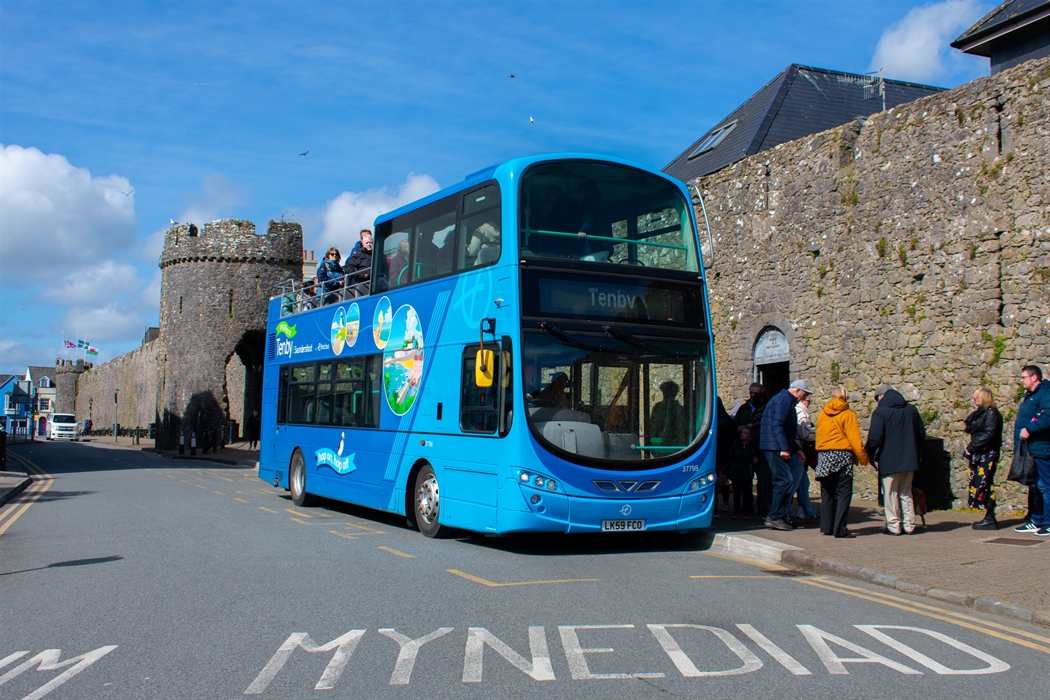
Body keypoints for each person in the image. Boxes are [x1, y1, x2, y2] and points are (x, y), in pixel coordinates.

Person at [865, 386, 925, 535]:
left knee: (890, 494)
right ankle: (909, 524)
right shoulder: (911, 410)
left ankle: (894, 525)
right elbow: (921, 434)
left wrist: (869, 454)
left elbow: (874, 438)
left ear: (881, 397)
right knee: (906, 491)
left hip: (889, 459)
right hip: (909, 459)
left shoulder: (880, 412)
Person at [815, 386, 869, 538]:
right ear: (845, 397)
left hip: (824, 455)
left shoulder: (822, 414)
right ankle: (840, 529)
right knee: (844, 493)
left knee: (827, 492)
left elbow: (818, 435)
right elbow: (855, 439)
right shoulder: (848, 414)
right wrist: (864, 458)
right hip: (842, 455)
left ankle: (827, 527)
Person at [758, 381, 808, 530]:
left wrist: (795, 449)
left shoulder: (783, 399)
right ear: (797, 390)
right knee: (785, 480)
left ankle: (779, 516)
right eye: (804, 393)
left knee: (782, 481)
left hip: (774, 446)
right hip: (774, 447)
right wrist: (785, 448)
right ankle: (775, 516)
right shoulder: (783, 400)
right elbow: (777, 426)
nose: (804, 397)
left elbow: (785, 429)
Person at [1013, 365, 1050, 536]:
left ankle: (1048, 521)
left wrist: (1030, 429)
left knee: (1045, 486)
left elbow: (1047, 418)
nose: (1021, 381)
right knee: (1036, 486)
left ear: (1034, 377)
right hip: (1031, 448)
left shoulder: (1044, 394)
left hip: (1042, 447)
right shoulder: (1031, 396)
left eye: (1023, 377)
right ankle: (1037, 519)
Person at [963, 386, 1003, 530]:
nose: (974, 400)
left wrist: (971, 447)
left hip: (987, 453)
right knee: (979, 482)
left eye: (977, 398)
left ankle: (990, 517)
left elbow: (988, 434)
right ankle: (988, 515)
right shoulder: (980, 414)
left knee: (985, 483)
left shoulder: (992, 414)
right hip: (979, 453)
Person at [523, 184, 579, 256]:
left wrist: (532, 215)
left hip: (561, 249)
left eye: (548, 195)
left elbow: (552, 226)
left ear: (556, 193)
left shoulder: (564, 207)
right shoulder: (562, 207)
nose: (547, 199)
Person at [790, 383, 818, 524]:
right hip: (798, 450)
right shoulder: (801, 411)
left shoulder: (797, 410)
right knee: (796, 483)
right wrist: (817, 432)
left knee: (802, 483)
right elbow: (804, 432)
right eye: (808, 400)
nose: (809, 403)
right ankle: (785, 511)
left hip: (797, 450)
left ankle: (808, 511)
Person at [577, 180, 613, 261]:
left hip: (595, 246)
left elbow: (589, 218)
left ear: (584, 191)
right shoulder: (603, 203)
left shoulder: (588, 201)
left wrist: (583, 230)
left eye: (580, 191)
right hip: (606, 247)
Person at [727, 425, 757, 516]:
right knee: (737, 493)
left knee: (747, 493)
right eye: (742, 432)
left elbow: (754, 458)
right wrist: (727, 471)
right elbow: (730, 458)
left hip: (747, 472)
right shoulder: (736, 445)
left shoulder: (752, 447)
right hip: (736, 472)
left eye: (745, 433)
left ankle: (747, 509)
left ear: (750, 436)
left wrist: (754, 459)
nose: (742, 434)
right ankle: (737, 510)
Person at [650, 380, 687, 447]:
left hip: (661, 446)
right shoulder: (680, 409)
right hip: (677, 447)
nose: (667, 394)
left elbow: (653, 429)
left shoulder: (658, 408)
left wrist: (654, 443)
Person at [343, 230, 373, 295]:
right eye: (366, 242)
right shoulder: (358, 255)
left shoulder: (377, 253)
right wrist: (363, 274)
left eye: (370, 242)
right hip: (364, 284)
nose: (369, 245)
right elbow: (347, 268)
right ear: (362, 242)